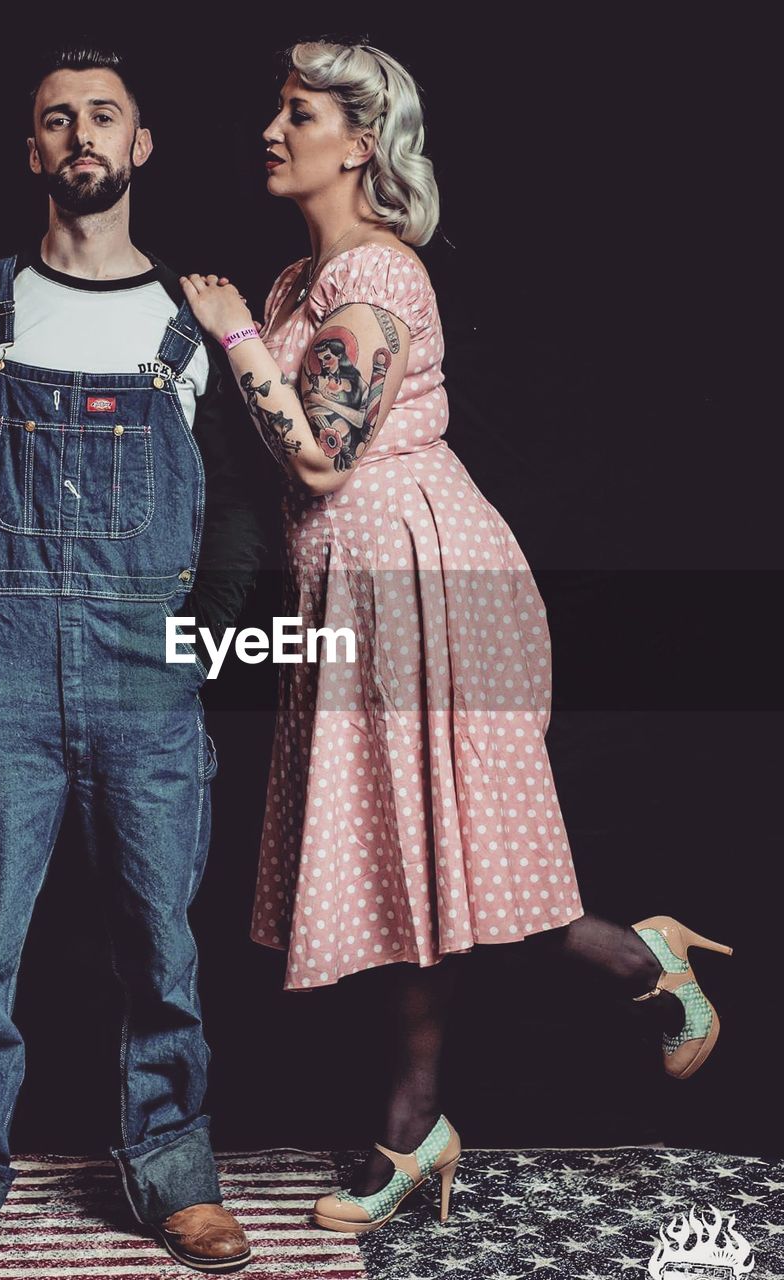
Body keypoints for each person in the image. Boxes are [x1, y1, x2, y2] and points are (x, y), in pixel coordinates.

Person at [180, 39, 732, 1234]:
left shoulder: (374, 276)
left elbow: (322, 455)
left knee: (457, 854)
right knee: (402, 865)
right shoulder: (292, 285)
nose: (271, 131)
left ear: (359, 141)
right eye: (274, 111)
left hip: (420, 574)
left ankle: (642, 966)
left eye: (299, 113)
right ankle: (417, 1121)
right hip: (350, 584)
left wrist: (227, 339)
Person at [0, 47, 263, 1278]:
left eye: (104, 114)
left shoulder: (192, 321)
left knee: (161, 937)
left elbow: (243, 504)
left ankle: (175, 1176)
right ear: (33, 154)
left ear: (141, 146)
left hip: (150, 656)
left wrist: (200, 626)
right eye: (57, 120)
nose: (81, 134)